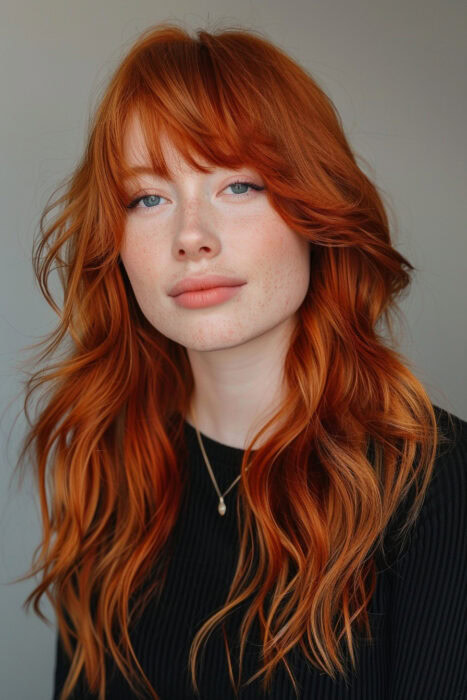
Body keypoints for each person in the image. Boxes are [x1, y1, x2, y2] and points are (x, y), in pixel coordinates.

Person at [12, 21, 466, 700]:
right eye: (148, 198)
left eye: (240, 186)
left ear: (316, 209)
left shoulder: (433, 480)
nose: (192, 237)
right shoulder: (109, 461)